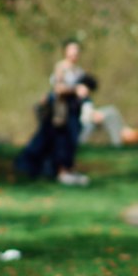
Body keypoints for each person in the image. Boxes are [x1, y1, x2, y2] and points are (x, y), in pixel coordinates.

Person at [14, 38, 90, 185]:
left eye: (77, 51)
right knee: (60, 141)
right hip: (60, 113)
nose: (74, 54)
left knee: (72, 141)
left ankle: (70, 170)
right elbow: (58, 88)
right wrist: (76, 90)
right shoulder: (61, 68)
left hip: (74, 111)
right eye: (71, 51)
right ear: (65, 51)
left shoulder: (79, 71)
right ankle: (61, 172)